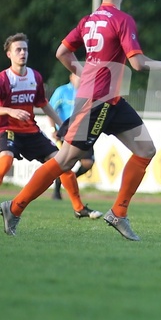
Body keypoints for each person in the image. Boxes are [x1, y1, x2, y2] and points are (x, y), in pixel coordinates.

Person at [0, 0, 161, 241]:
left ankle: (118, 213)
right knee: (64, 160)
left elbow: (62, 52)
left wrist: (81, 70)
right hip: (97, 102)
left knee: (146, 149)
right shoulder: (122, 20)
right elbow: (138, 63)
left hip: (111, 100)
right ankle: (14, 207)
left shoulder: (88, 20)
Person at [0, 33, 101, 219]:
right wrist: (10, 111)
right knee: (5, 160)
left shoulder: (35, 77)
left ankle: (79, 208)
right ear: (9, 55)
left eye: (25, 49)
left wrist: (63, 125)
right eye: (18, 50)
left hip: (31, 132)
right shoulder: (3, 79)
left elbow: (43, 104)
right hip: (8, 130)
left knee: (63, 164)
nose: (23, 53)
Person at [48, 72, 96, 200]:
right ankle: (58, 189)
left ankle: (64, 181)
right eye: (77, 75)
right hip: (66, 133)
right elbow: (50, 109)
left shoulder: (89, 93)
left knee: (88, 163)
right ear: (71, 77)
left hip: (84, 133)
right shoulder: (62, 91)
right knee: (66, 163)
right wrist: (54, 129)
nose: (80, 78)